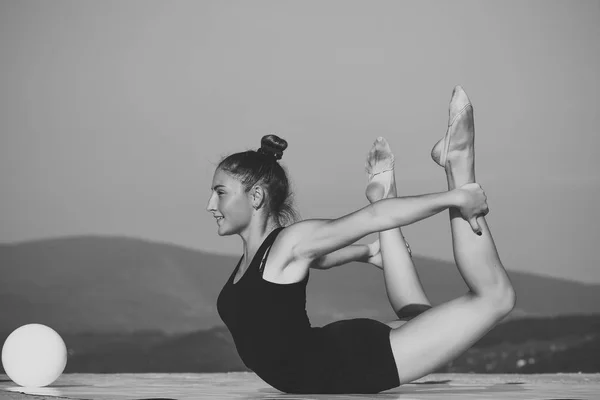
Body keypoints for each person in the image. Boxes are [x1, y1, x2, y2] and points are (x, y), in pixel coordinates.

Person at [209, 86, 515, 394]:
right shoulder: (265, 257)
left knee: (496, 298)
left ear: (257, 195)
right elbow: (321, 260)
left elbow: (374, 217)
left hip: (351, 364)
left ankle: (458, 164)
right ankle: (387, 207)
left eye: (220, 193)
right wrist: (366, 253)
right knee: (419, 319)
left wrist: (456, 198)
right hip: (336, 354)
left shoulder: (289, 242)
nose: (211, 204)